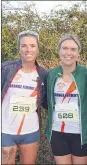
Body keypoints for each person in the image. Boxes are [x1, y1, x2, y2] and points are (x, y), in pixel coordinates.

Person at [1, 30, 47, 164]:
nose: (28, 49)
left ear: (38, 48)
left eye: (32, 46)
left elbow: (46, 103)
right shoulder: (5, 68)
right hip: (6, 130)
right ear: (19, 48)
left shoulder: (43, 73)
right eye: (24, 45)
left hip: (30, 131)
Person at [44, 34, 87, 164]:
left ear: (78, 53)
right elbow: (46, 102)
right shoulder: (51, 74)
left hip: (80, 134)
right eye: (65, 48)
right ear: (59, 51)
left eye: (73, 49)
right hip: (58, 132)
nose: (68, 52)